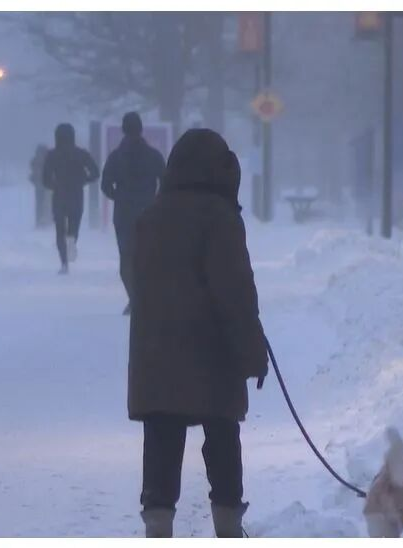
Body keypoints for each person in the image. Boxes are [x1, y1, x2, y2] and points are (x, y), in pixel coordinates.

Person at [127, 129, 268, 538]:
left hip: (156, 354)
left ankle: (157, 526)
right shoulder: (219, 218)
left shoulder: (150, 217)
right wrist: (251, 352)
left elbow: (139, 284)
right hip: (212, 356)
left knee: (161, 442)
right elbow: (235, 292)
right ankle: (228, 527)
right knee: (222, 439)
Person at [100, 112, 166, 314]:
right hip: (149, 212)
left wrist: (119, 196)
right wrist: (156, 199)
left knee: (126, 258)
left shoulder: (116, 157)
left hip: (124, 214)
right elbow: (166, 181)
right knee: (147, 256)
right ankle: (146, 299)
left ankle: (135, 299)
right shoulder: (153, 155)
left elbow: (105, 185)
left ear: (123, 129)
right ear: (141, 129)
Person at [42, 123, 99, 274]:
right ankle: (72, 240)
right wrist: (84, 180)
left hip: (59, 195)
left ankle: (64, 263)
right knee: (74, 226)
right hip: (76, 194)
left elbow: (45, 179)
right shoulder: (81, 154)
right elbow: (95, 172)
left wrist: (54, 185)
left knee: (60, 230)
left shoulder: (52, 155)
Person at [29, 144, 52, 229]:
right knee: (46, 203)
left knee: (41, 203)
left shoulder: (35, 161)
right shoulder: (48, 160)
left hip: (41, 185)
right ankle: (44, 220)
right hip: (45, 185)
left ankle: (40, 221)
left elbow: (33, 171)